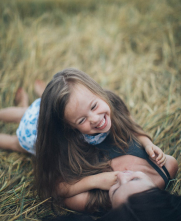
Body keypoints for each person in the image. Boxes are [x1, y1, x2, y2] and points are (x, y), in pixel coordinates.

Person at [0, 68, 178, 213]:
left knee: (18, 138)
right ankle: (40, 100)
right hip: (58, 116)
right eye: (134, 180)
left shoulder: (99, 200)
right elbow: (131, 127)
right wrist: (148, 143)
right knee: (30, 113)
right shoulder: (166, 167)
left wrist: (97, 180)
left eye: (116, 188)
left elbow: (56, 188)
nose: (123, 177)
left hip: (38, 133)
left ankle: (33, 104)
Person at [0, 80, 46, 153]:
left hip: (41, 119)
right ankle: (24, 105)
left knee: (24, 113)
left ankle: (46, 97)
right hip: (38, 140)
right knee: (13, 143)